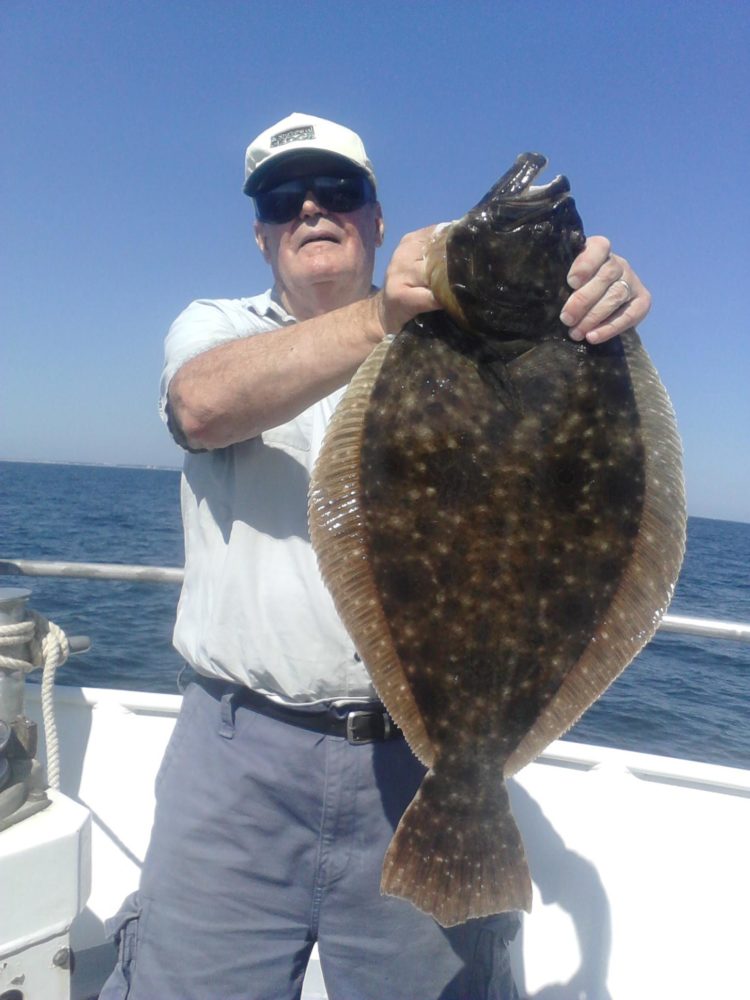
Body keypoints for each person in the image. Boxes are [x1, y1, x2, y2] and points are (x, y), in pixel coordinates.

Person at [100, 112, 651, 1000]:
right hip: (237, 763)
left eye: (339, 192)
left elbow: (588, 473)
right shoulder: (218, 326)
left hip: (420, 761)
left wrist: (602, 320)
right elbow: (200, 409)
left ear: (378, 218)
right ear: (262, 232)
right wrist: (381, 317)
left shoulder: (469, 335)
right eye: (285, 199)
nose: (313, 209)